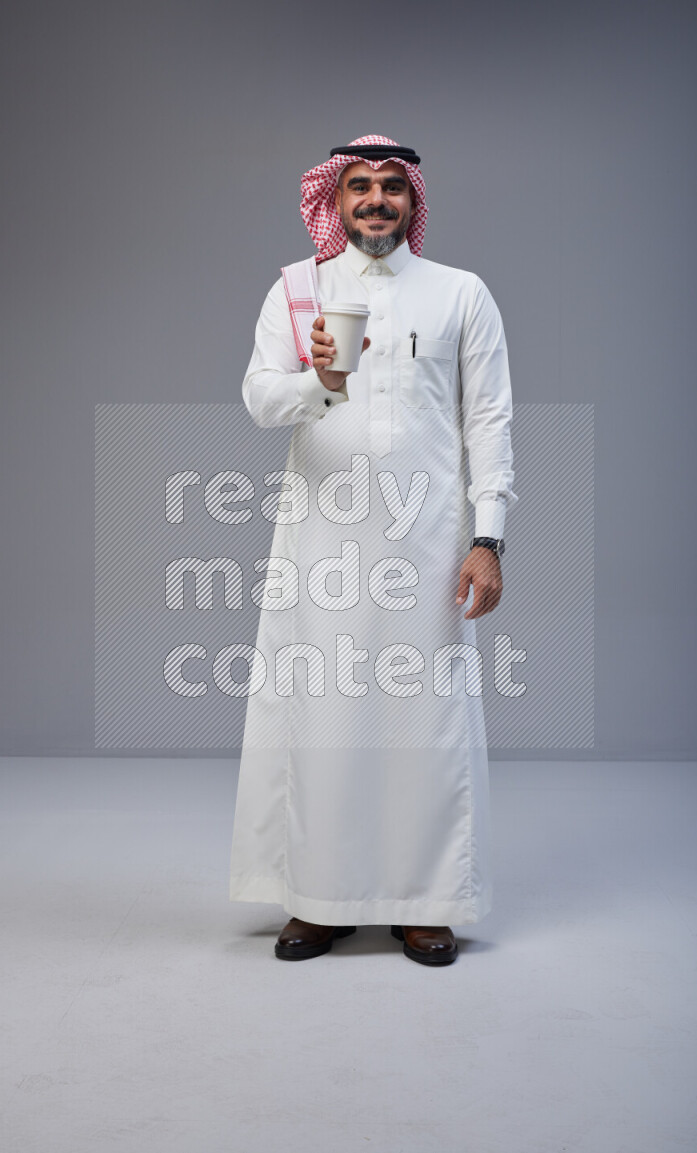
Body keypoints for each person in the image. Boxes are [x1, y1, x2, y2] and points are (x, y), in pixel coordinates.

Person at [228, 135, 518, 966]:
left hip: (428, 544)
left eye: (392, 187)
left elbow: (489, 420)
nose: (376, 201)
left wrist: (488, 536)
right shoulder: (298, 290)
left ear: (413, 200)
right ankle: (319, 900)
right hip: (322, 538)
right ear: (336, 199)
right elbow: (258, 397)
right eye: (359, 187)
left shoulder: (462, 294)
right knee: (323, 714)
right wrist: (319, 381)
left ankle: (426, 901)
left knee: (424, 719)